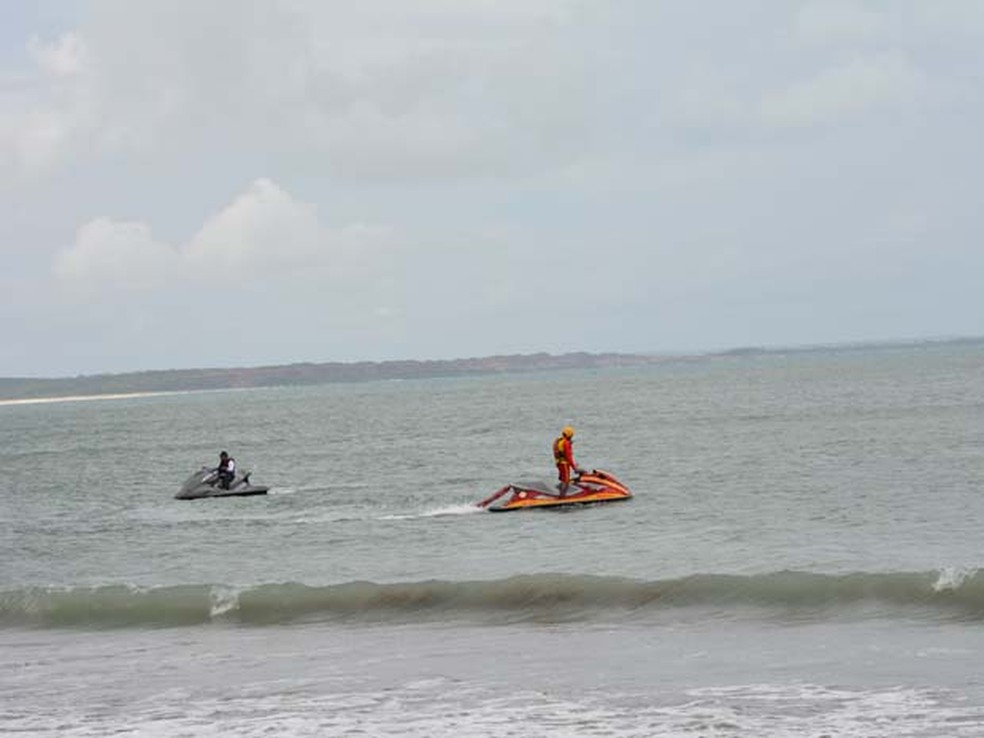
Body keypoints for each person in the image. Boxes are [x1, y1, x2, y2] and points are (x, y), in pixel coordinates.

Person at [552, 425, 584, 494]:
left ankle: (559, 493)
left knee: (563, 480)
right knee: (566, 481)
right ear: (569, 434)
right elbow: (568, 456)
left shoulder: (559, 440)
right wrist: (574, 467)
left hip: (559, 463)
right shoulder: (566, 443)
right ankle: (562, 497)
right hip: (564, 464)